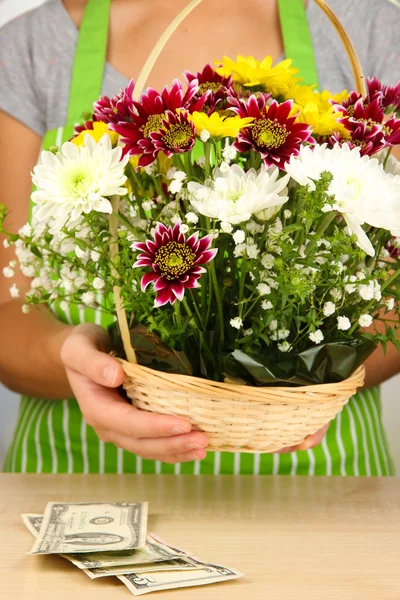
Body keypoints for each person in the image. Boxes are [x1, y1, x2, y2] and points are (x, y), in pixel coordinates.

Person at [0, 0, 399, 476]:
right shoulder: (30, 46)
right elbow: (9, 310)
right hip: (87, 484)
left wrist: (309, 380)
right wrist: (85, 361)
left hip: (320, 491)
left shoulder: (370, 27)